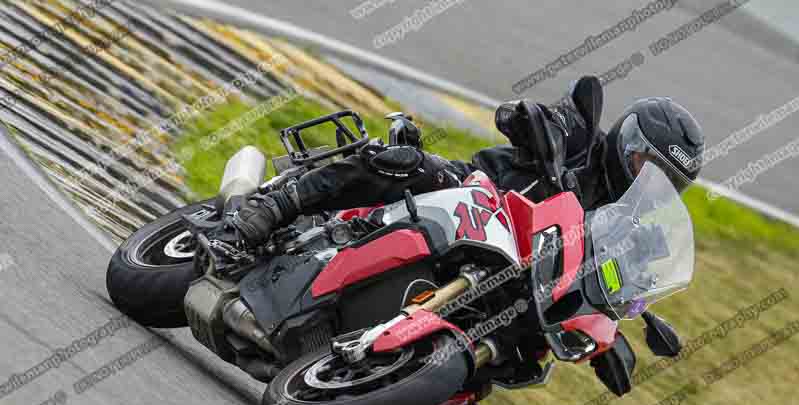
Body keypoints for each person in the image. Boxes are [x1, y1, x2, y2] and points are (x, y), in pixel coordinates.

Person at [232, 76, 705, 245]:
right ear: (627, 141)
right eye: (649, 165)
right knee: (401, 160)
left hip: (517, 266)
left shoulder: (626, 224)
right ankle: (274, 207)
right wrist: (539, 130)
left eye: (666, 180)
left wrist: (615, 329)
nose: (650, 182)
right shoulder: (581, 130)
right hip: (472, 194)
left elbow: (621, 280)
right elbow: (517, 116)